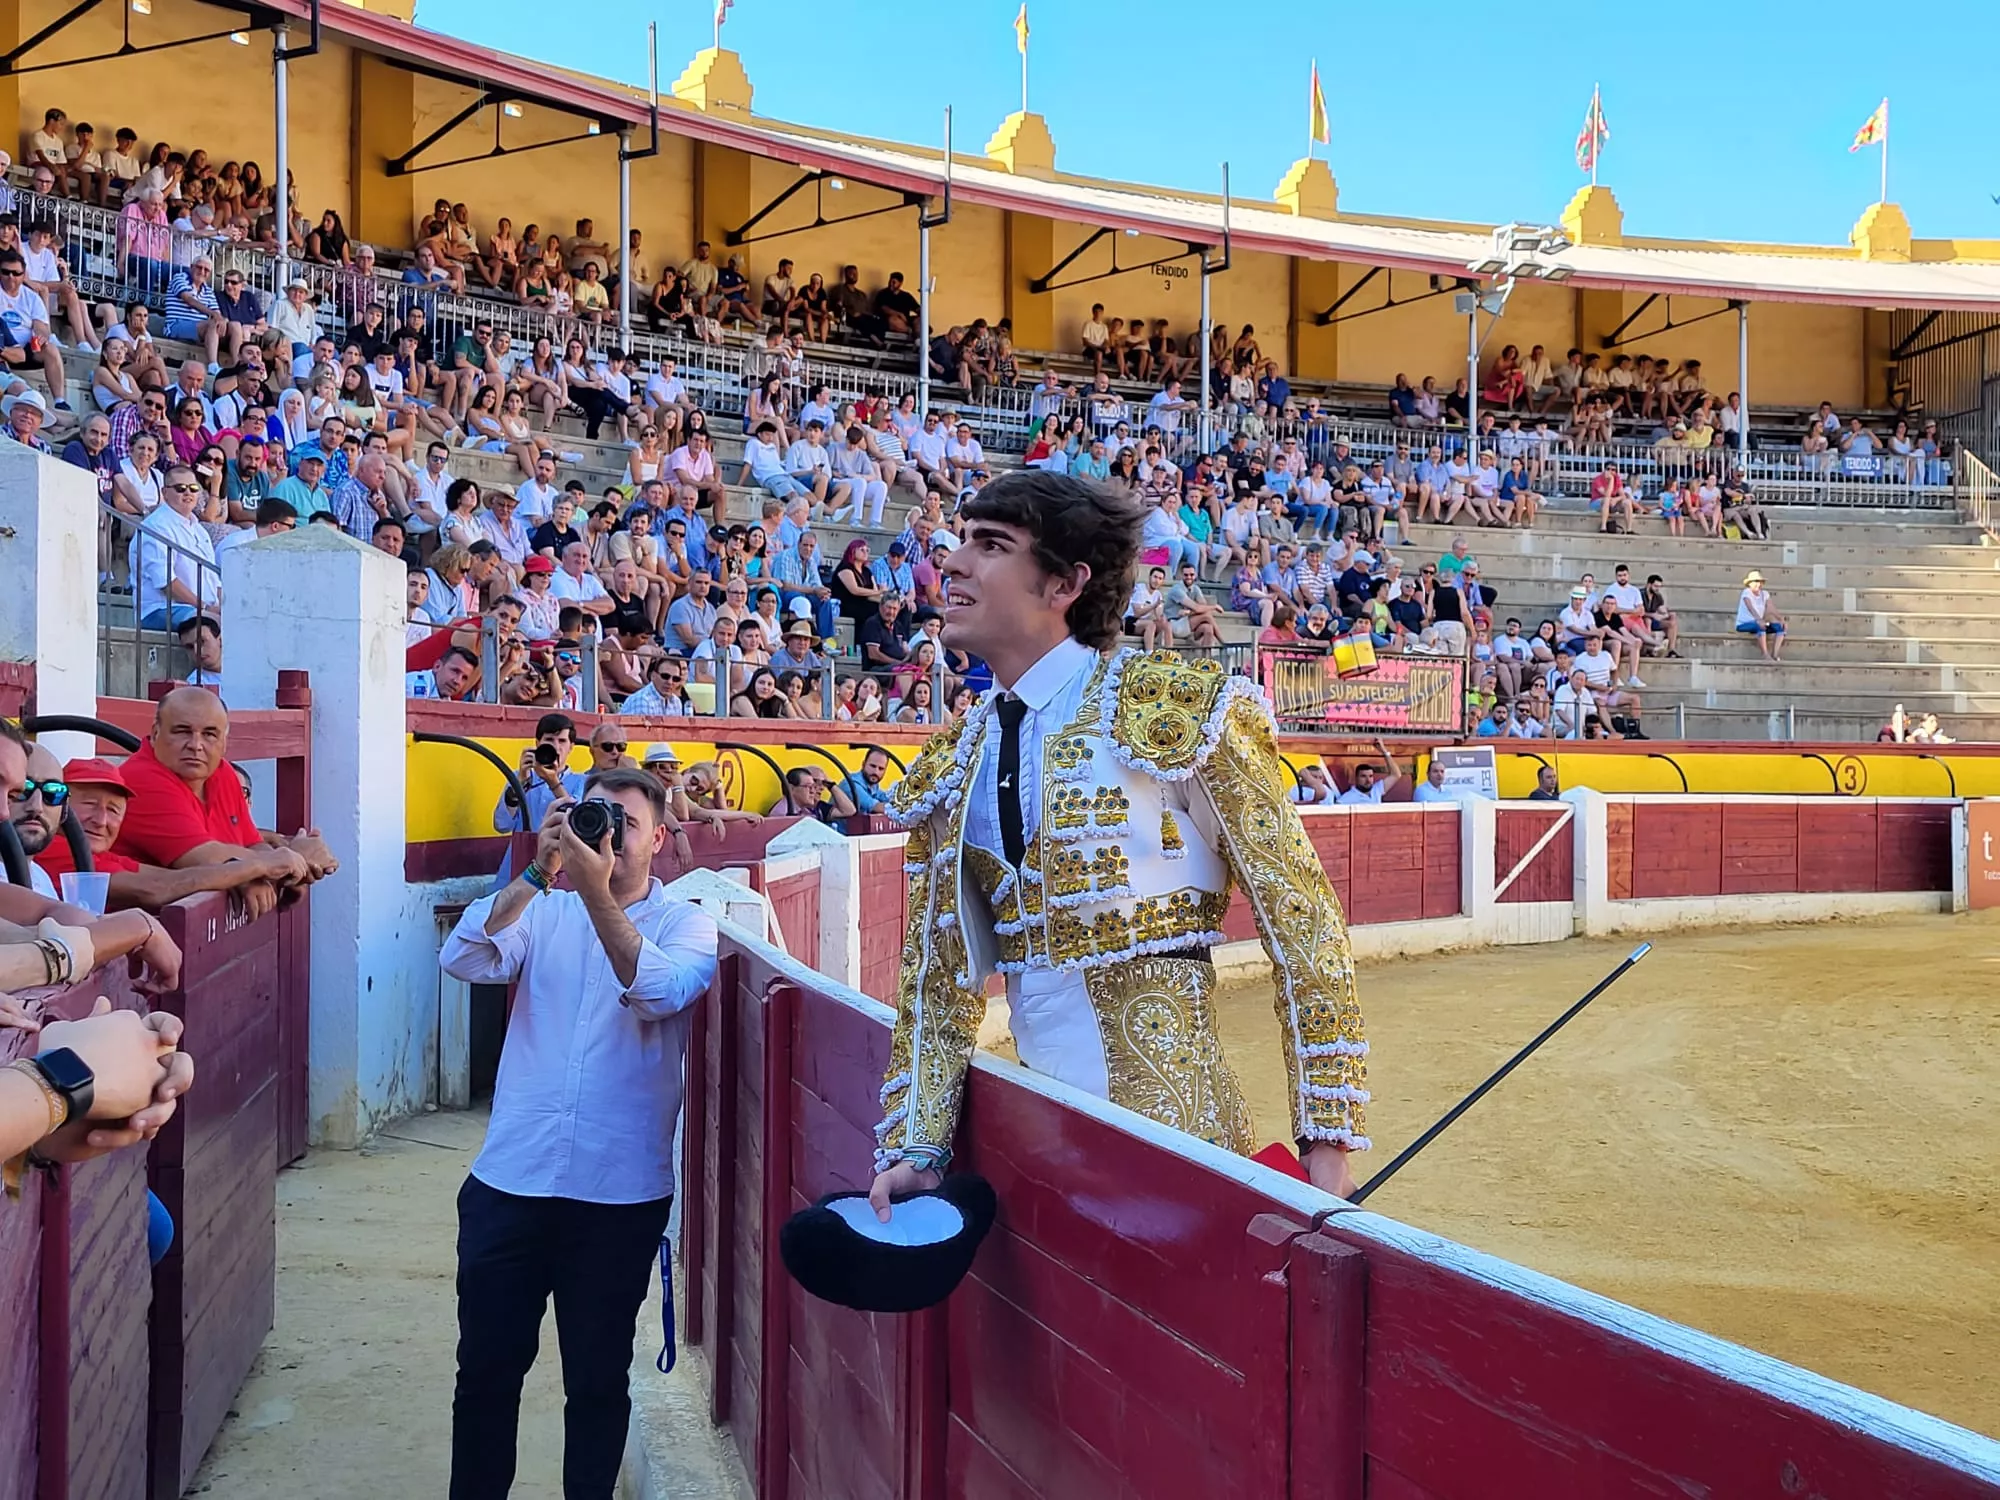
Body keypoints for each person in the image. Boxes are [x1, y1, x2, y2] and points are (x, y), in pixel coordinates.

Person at [869, 469, 1369, 1218]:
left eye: (991, 544)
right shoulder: (956, 758)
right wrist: (918, 1147)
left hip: (1187, 1156)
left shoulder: (1175, 710)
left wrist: (1327, 1144)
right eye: (962, 539)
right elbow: (936, 981)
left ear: (1064, 584)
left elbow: (1303, 923)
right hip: (1045, 1163)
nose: (954, 560)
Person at [439, 770, 718, 1500]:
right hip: (511, 1183)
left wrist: (591, 889)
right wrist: (539, 868)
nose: (610, 835)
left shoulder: (686, 922)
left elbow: (657, 991)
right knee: (487, 1375)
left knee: (596, 1383)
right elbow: (462, 956)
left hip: (616, 1196)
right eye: (597, 817)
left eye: (626, 823)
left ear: (659, 839)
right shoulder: (544, 911)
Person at [110, 687, 334, 919]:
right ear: (155, 733)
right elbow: (205, 860)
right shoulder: (142, 779)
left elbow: (253, 845)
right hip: (139, 938)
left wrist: (287, 867)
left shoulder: (222, 772)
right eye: (182, 731)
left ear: (224, 742)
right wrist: (291, 861)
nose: (196, 745)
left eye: (209, 734)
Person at [1736, 570, 1786, 662]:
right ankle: (1765, 654)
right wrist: (1759, 619)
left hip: (1759, 622)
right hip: (1744, 624)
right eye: (1755, 581)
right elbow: (1750, 607)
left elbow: (1771, 608)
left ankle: (1774, 654)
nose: (1758, 584)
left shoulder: (1765, 594)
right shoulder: (1746, 592)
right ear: (1750, 583)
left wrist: (1780, 619)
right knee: (1760, 626)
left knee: (1779, 628)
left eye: (1759, 582)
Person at [1336, 740, 1402, 804]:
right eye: (1363, 776)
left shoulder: (1376, 790)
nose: (1368, 780)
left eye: (1370, 776)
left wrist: (1384, 751)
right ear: (1356, 778)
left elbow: (1396, 775)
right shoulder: (1347, 798)